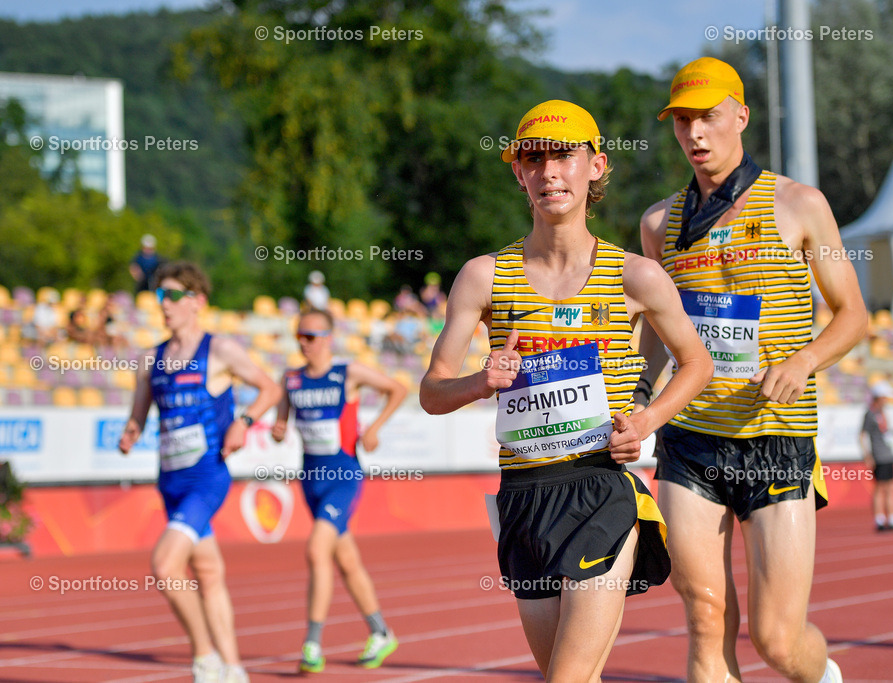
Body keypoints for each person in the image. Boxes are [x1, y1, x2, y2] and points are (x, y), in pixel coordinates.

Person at [420, 100, 713, 681]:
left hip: (602, 491)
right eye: (533, 157)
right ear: (518, 172)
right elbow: (432, 391)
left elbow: (696, 364)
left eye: (564, 154)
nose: (549, 170)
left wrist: (648, 421)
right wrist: (481, 381)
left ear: (597, 166)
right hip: (524, 497)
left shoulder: (636, 275)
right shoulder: (483, 276)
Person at [636, 57, 867, 682]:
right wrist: (637, 401)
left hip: (776, 439)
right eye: (683, 121)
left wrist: (804, 358)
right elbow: (659, 333)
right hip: (690, 441)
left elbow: (852, 316)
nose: (695, 134)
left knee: (776, 640)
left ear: (741, 115)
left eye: (708, 117)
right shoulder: (659, 223)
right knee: (706, 620)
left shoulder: (799, 204)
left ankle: (823, 677)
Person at [119, 261, 282, 683]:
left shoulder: (220, 350)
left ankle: (204, 656)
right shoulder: (150, 359)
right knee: (208, 573)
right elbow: (138, 416)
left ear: (197, 302)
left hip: (207, 477)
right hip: (170, 481)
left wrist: (243, 423)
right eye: (159, 296)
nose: (164, 304)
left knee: (165, 566)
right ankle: (233, 668)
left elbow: (270, 387)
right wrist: (130, 433)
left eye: (173, 295)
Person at [270, 309, 407, 672]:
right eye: (300, 335)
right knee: (346, 560)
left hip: (343, 478)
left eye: (311, 337)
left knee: (317, 550)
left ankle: (312, 643)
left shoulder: (347, 374)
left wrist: (374, 428)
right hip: (310, 481)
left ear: (329, 338)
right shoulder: (292, 379)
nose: (304, 342)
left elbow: (398, 389)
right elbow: (279, 423)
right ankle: (381, 632)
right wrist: (277, 430)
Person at [861, 380, 893, 531]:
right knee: (880, 488)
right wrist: (867, 455)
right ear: (878, 397)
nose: (887, 400)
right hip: (879, 456)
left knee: (891, 488)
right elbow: (862, 435)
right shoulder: (870, 414)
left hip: (888, 455)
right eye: (885, 397)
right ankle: (879, 520)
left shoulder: (882, 413)